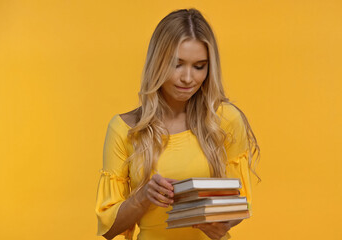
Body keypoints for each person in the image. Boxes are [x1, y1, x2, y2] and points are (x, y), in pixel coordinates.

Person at [95, 8, 261, 240]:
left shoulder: (225, 120)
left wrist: (220, 224)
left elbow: (240, 204)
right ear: (158, 63)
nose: (188, 78)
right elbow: (109, 229)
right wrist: (142, 197)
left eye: (199, 66)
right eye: (177, 64)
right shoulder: (125, 129)